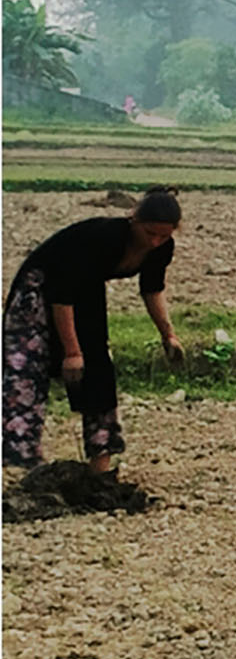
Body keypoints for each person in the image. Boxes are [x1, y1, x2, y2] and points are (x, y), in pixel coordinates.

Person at [4, 188, 185, 472]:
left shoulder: (161, 248)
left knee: (98, 368)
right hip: (40, 288)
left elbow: (152, 290)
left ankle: (100, 466)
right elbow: (62, 294)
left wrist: (168, 335)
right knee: (26, 369)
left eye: (163, 235)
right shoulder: (103, 238)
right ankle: (17, 466)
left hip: (87, 291)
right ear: (134, 220)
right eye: (149, 233)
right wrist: (72, 351)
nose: (154, 241)